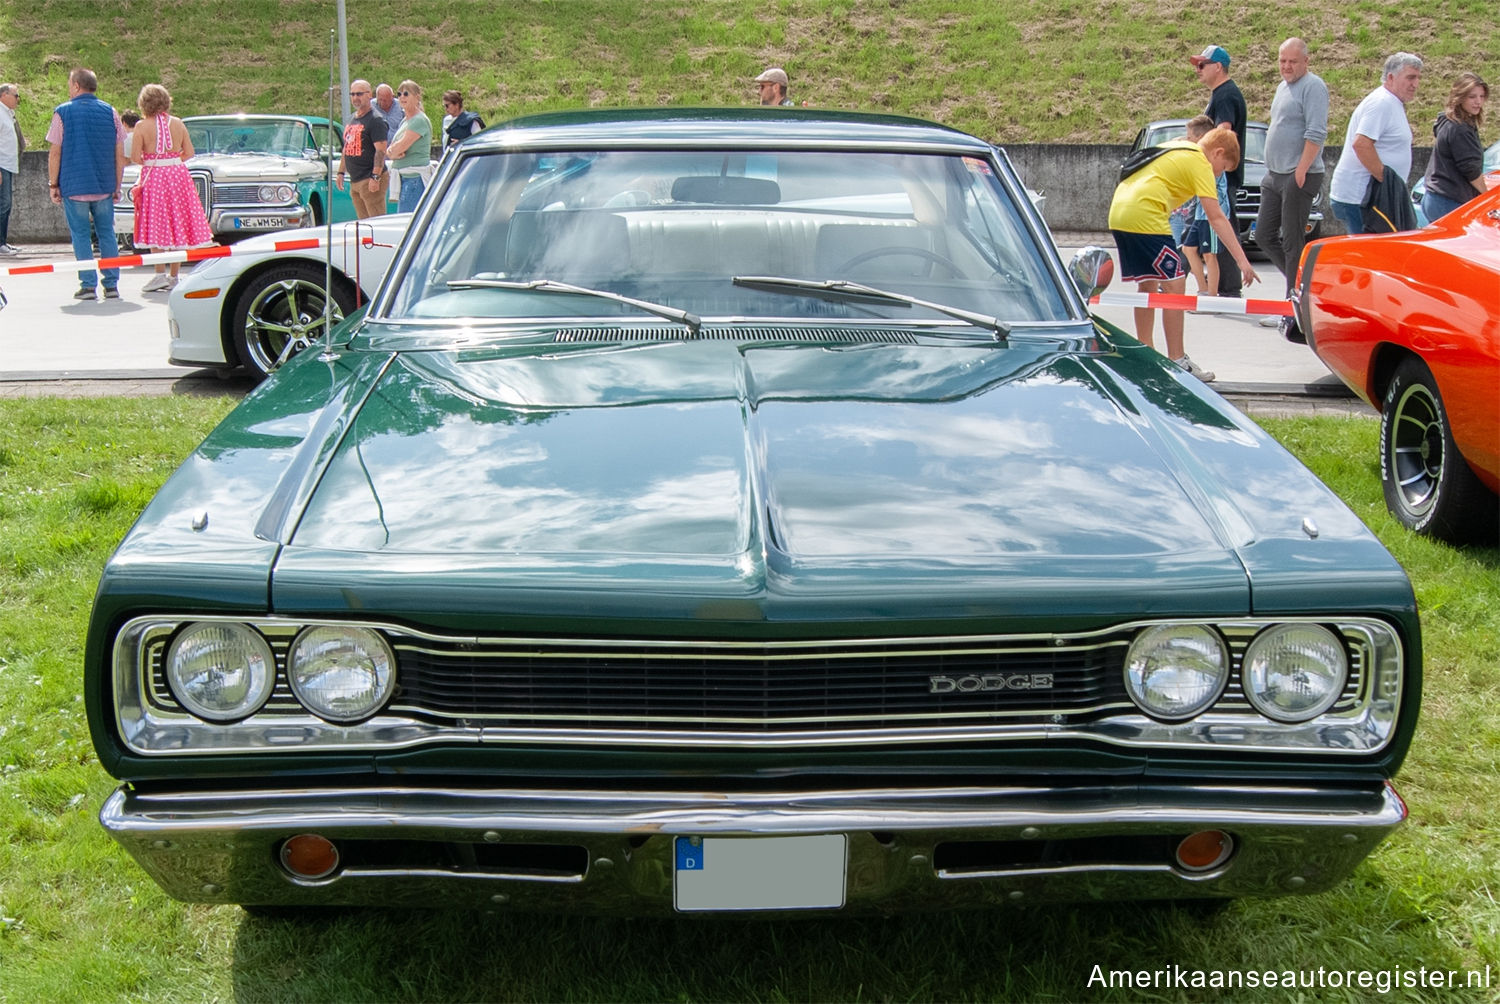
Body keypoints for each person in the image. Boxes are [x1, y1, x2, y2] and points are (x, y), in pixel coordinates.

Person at [1108, 125, 1259, 383]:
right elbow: (1217, 217)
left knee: (1148, 285)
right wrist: (1242, 260)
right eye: (1222, 168)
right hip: (1147, 217)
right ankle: (1177, 360)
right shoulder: (1200, 162)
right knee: (1176, 286)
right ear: (1217, 153)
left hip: (1120, 212)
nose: (1219, 174)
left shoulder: (1178, 146)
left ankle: (1145, 352)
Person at [1256, 37, 1328, 324]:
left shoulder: (1313, 87)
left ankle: (1292, 308)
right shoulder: (1282, 87)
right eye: (1282, 60)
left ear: (1306, 61)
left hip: (1298, 174)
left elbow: (1317, 132)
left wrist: (1302, 168)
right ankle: (1301, 288)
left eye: (1293, 61)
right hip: (1274, 174)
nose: (1286, 66)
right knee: (1263, 234)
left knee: (1292, 241)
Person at [47, 68, 126, 301]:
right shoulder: (110, 111)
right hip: (103, 185)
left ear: (77, 86)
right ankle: (111, 285)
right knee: (107, 234)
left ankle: (88, 285)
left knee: (80, 235)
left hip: (74, 186)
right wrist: (117, 184)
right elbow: (119, 151)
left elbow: (55, 151)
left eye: (70, 83)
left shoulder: (62, 112)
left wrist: (53, 184)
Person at [131, 83, 213, 293]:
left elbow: (134, 157)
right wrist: (172, 159)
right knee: (178, 222)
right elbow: (190, 152)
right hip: (178, 175)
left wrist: (152, 161)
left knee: (156, 222)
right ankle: (174, 276)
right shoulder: (178, 123)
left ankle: (159, 274)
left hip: (155, 176)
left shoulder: (141, 126)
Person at [1330, 53, 1422, 235]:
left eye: (1418, 78)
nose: (1416, 84)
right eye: (1410, 77)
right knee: (1365, 256)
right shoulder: (1382, 103)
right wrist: (1387, 181)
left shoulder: (1391, 102)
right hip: (1362, 198)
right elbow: (1361, 144)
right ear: (1390, 77)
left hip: (1369, 197)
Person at [1189, 44, 1246, 298]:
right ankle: (1222, 285)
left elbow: (1224, 134)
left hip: (1221, 177)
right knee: (1212, 231)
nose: (1197, 70)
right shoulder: (1221, 93)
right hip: (1218, 174)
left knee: (1221, 229)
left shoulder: (1225, 95)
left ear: (1218, 67)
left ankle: (1229, 288)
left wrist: (1212, 172)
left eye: (1202, 65)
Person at [1420, 72, 1489, 223]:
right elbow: (1470, 170)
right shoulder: (1459, 128)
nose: (1478, 102)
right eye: (1472, 97)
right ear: (1459, 98)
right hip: (1449, 201)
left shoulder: (1447, 120)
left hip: (1434, 197)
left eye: (1481, 96)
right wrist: (1487, 198)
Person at [1175, 115, 1216, 295]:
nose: (1187, 140)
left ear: (1200, 138)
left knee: (1209, 254)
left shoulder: (1210, 159)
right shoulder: (1196, 156)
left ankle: (1211, 295)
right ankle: (1203, 289)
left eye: (1190, 137)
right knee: (1188, 248)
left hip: (1208, 214)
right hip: (1196, 211)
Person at [336, 78, 389, 219]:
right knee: (363, 224)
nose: (355, 98)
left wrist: (375, 177)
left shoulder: (375, 120)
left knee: (376, 222)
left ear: (369, 95)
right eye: (352, 94)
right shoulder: (352, 119)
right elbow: (347, 147)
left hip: (370, 178)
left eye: (359, 94)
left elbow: (381, 151)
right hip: (355, 180)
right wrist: (341, 172)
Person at [386, 79, 432, 213]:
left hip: (414, 180)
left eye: (406, 94)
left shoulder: (419, 121)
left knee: (408, 221)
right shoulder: (405, 121)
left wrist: (394, 152)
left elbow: (399, 148)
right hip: (404, 179)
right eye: (399, 94)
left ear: (417, 97)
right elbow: (392, 149)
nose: (401, 97)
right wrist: (393, 152)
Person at [0, 83, 22, 256]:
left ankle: (3, 242)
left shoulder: (8, 114)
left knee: (6, 205)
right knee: (3, 204)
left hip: (8, 165)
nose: (18, 99)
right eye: (15, 95)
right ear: (4, 95)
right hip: (2, 166)